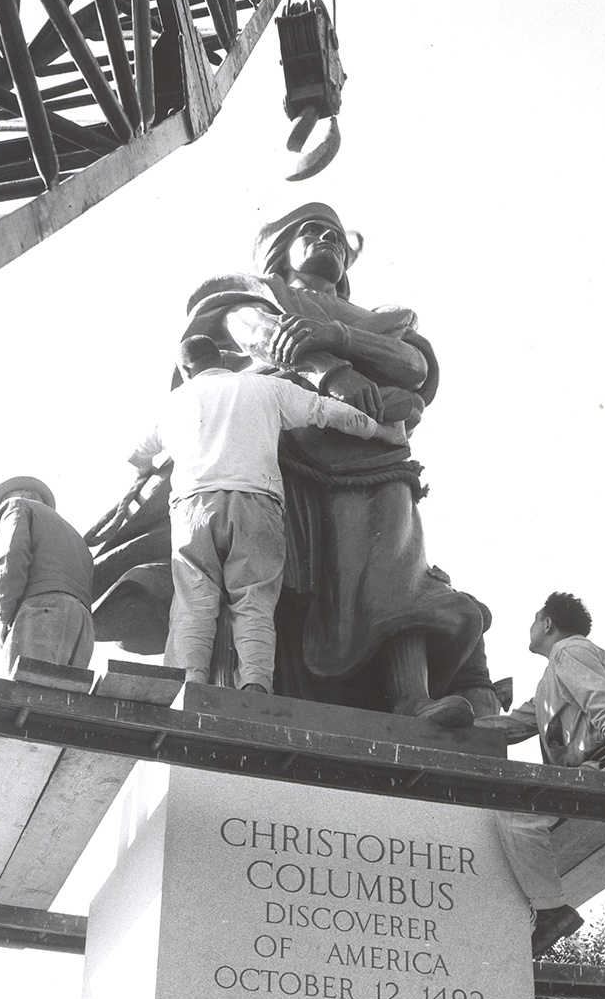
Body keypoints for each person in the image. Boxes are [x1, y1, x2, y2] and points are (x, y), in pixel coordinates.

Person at [178, 202, 483, 724]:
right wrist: (333, 372)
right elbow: (254, 329)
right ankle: (250, 687)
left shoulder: (376, 317)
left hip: (371, 453)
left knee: (394, 571)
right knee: (273, 577)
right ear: (280, 249)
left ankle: (411, 695)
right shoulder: (257, 292)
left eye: (338, 238)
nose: (329, 241)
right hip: (281, 446)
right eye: (313, 232)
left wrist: (335, 336)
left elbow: (412, 367)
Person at [128, 334, 405, 694]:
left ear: (185, 369)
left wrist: (144, 467)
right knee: (254, 599)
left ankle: (190, 683)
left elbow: (136, 455)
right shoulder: (264, 387)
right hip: (256, 503)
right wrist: (381, 432)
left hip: (193, 510)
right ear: (222, 361)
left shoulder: (173, 404)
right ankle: (256, 684)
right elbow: (328, 411)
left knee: (193, 601)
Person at [478, 591, 605, 956]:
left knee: (516, 814)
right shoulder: (552, 677)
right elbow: (514, 725)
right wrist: (462, 725)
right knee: (516, 813)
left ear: (547, 623)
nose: (530, 627)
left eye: (534, 619)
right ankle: (551, 910)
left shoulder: (569, 652)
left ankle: (552, 912)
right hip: (594, 765)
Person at [0, 476, 94, 673]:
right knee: (60, 700)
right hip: (83, 625)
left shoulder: (15, 505)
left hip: (43, 611)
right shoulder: (75, 535)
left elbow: (12, 555)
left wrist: (3, 615)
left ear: (21, 495)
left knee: (23, 694)